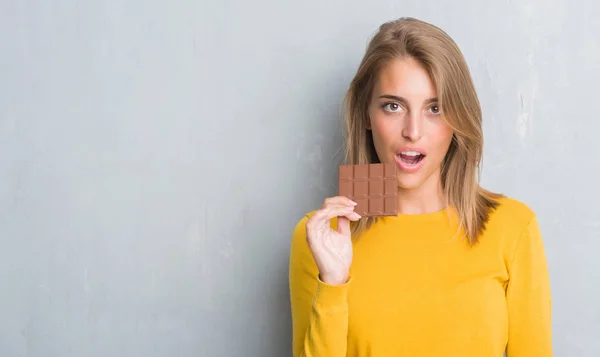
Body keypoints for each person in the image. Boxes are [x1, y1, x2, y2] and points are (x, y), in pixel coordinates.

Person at [288, 17, 552, 357]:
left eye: (435, 108)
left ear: (458, 119)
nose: (413, 131)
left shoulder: (513, 227)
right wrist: (334, 284)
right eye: (393, 106)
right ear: (366, 115)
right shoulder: (319, 237)